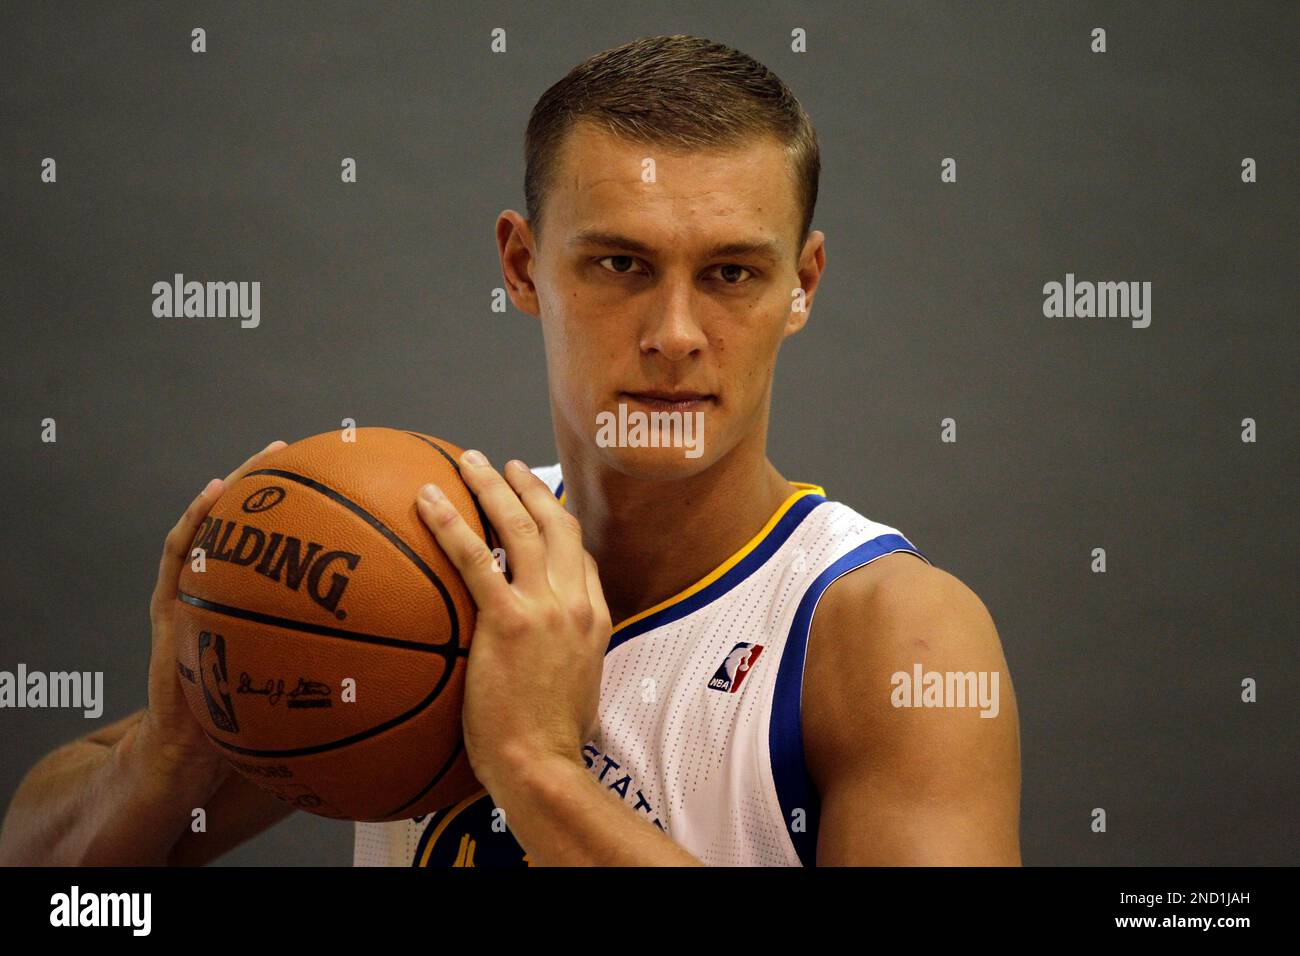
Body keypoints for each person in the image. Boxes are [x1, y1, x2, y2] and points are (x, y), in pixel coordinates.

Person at [0, 35, 1020, 867]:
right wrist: (170, 755)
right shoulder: (428, 562)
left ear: (803, 284)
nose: (674, 332)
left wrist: (537, 772)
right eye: (620, 263)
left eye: (731, 274)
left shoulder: (889, 634)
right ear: (523, 264)